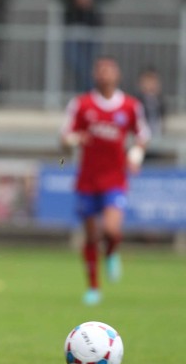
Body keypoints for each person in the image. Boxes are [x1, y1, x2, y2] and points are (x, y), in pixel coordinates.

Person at [60, 56, 150, 306]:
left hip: (115, 179)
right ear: (94, 75)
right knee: (90, 237)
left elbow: (142, 135)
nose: (104, 74)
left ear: (117, 74)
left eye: (109, 70)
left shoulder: (130, 106)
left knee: (111, 230)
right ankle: (93, 288)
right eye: (100, 70)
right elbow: (65, 137)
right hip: (87, 180)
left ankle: (111, 252)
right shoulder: (81, 104)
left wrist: (136, 155)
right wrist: (75, 139)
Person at [53, 0, 113, 92]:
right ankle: (89, 92)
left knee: (91, 64)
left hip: (92, 26)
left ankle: (87, 93)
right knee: (77, 62)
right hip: (72, 24)